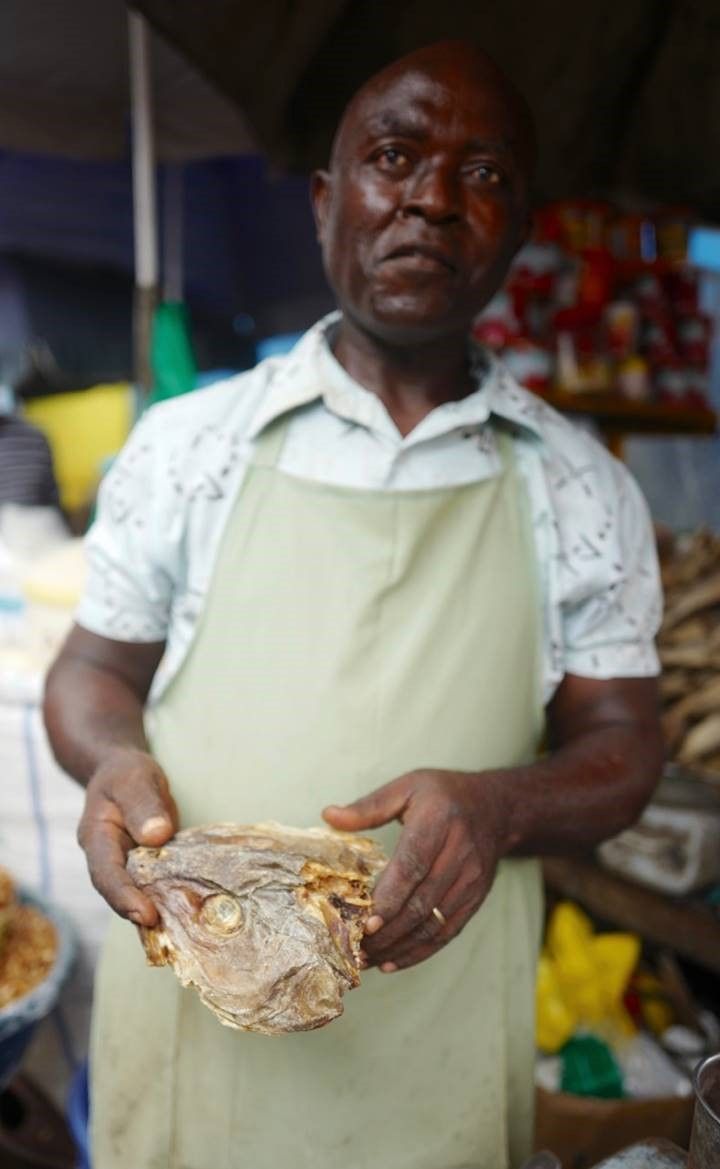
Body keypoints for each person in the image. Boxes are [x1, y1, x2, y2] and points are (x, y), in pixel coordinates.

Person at [43, 40, 664, 1169]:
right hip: (197, 1054)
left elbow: (626, 746)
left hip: (436, 1055)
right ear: (327, 203)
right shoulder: (192, 446)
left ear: (518, 230)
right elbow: (91, 672)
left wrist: (502, 805)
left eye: (480, 176)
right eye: (394, 156)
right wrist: (110, 764)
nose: (429, 197)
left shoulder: (581, 486)